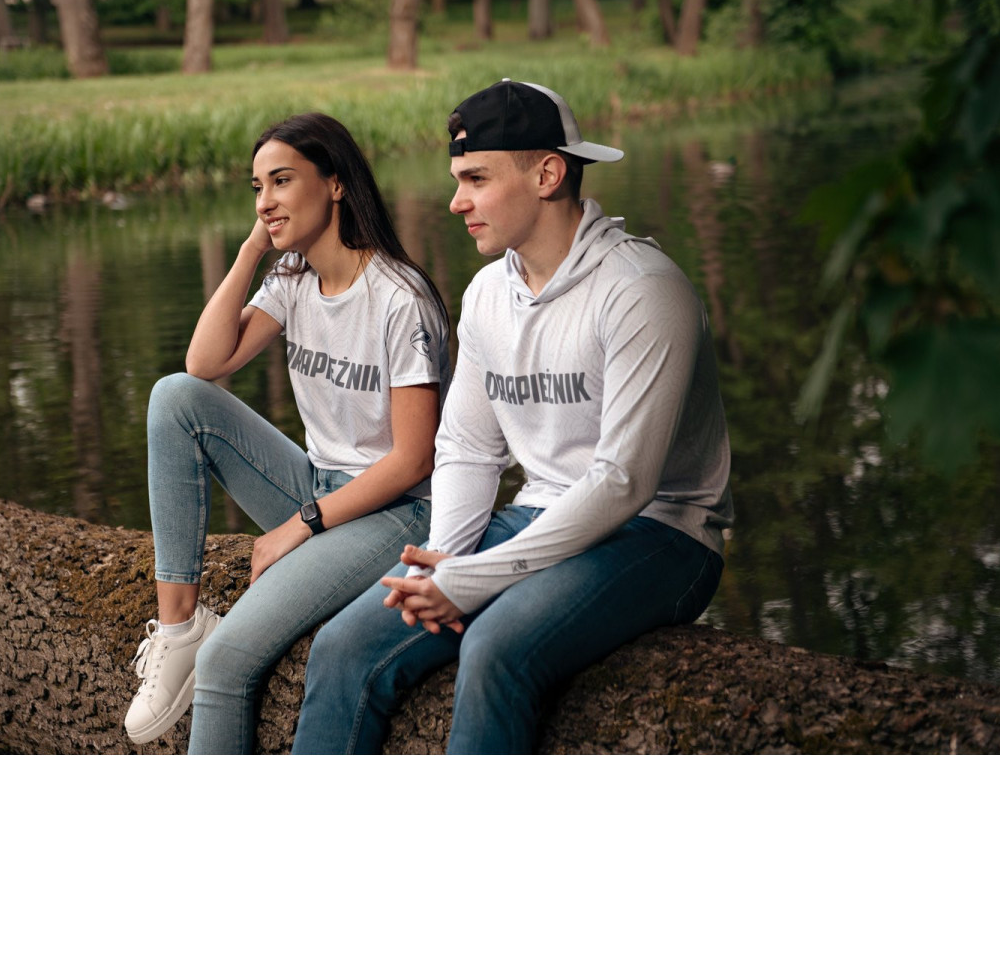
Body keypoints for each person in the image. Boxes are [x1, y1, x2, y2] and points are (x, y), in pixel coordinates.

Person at [292, 79, 733, 755]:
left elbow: (623, 481)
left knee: (495, 648)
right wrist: (443, 563)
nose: (455, 201)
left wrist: (474, 580)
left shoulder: (643, 291)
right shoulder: (487, 294)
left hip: (662, 535)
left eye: (476, 179)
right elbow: (468, 448)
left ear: (548, 174)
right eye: (457, 180)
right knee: (345, 644)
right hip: (538, 514)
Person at [125, 112, 450, 753]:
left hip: (398, 512)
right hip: (318, 483)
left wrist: (302, 523)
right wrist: (253, 249)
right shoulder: (293, 278)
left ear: (335, 183)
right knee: (175, 399)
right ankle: (179, 627)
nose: (265, 201)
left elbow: (415, 461)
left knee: (227, 662)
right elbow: (204, 364)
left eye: (281, 181)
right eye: (257, 188)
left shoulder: (399, 298)